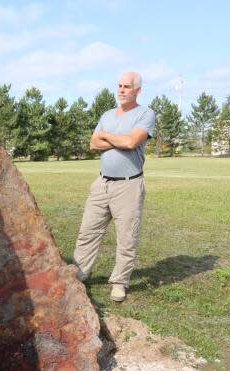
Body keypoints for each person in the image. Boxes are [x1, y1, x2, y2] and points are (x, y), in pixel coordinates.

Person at [73, 71, 156, 302]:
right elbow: (92, 143)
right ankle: (79, 274)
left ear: (137, 90)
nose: (121, 90)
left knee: (127, 238)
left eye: (127, 86)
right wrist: (117, 139)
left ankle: (119, 283)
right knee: (87, 232)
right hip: (102, 183)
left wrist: (107, 137)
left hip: (129, 186)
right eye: (119, 85)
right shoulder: (107, 114)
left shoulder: (145, 114)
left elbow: (132, 142)